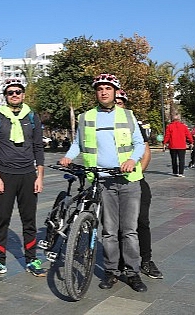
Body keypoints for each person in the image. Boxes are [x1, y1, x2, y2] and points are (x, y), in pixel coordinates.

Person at [60, 73, 147, 292]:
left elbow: (139, 144)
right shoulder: (86, 117)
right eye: (100, 89)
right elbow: (78, 144)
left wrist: (131, 159)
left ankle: (133, 272)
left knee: (129, 230)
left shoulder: (127, 115)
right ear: (96, 93)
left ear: (115, 91)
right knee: (108, 231)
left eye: (108, 88)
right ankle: (111, 271)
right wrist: (68, 157)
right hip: (103, 181)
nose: (104, 92)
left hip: (128, 181)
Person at [0, 78, 46, 278]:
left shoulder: (33, 117)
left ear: (23, 94)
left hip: (28, 174)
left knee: (29, 220)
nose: (15, 95)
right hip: (5, 175)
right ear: (6, 96)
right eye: (10, 92)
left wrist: (40, 177)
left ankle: (31, 259)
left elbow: (38, 147)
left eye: (18, 91)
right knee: (2, 220)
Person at [115, 90, 163, 279]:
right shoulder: (101, 124)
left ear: (124, 104)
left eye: (121, 101)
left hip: (135, 181)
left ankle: (145, 261)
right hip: (111, 182)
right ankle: (118, 263)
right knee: (115, 224)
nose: (117, 104)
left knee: (141, 221)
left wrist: (138, 173)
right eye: (115, 101)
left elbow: (146, 151)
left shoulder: (132, 122)